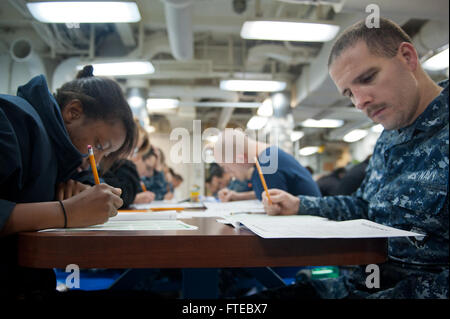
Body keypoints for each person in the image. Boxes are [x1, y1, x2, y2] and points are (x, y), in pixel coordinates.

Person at [260, 18, 448, 299]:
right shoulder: (390, 135)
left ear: (407, 57)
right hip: (354, 283)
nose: (359, 102)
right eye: (349, 93)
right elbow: (365, 205)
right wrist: (300, 205)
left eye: (367, 78)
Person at [0, 65, 136, 298]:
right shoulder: (12, 121)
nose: (95, 159)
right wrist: (65, 212)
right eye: (99, 146)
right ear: (73, 112)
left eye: (106, 154)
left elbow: (85, 178)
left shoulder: (60, 156)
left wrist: (85, 190)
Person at [213, 129, 321, 201]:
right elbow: (269, 194)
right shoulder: (269, 156)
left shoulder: (267, 166)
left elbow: (274, 203)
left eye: (226, 167)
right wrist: (238, 196)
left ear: (240, 159)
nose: (228, 172)